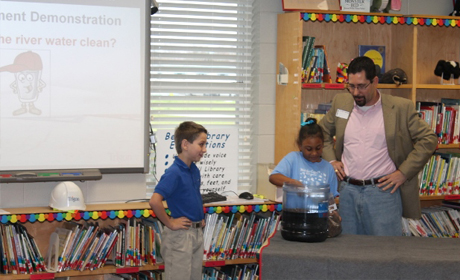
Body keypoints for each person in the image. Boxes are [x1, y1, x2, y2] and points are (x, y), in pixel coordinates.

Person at [319, 56, 438, 236]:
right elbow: (322, 133)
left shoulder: (400, 108)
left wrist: (403, 172)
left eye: (362, 86)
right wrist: (331, 160)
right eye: (351, 86)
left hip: (383, 193)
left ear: (375, 82)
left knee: (385, 254)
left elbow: (429, 139)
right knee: (347, 253)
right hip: (347, 191)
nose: (356, 92)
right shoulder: (341, 103)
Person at [149, 121, 207, 280]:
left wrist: (199, 217)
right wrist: (170, 223)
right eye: (201, 144)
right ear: (185, 144)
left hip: (196, 233)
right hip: (180, 237)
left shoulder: (193, 170)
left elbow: (192, 196)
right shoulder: (174, 172)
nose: (205, 149)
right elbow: (155, 201)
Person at [269, 117, 339, 199]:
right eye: (309, 149)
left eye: (318, 148)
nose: (314, 153)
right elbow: (273, 177)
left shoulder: (328, 168)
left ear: (323, 145)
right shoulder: (293, 158)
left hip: (319, 211)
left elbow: (332, 197)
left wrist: (333, 210)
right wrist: (293, 183)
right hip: (295, 211)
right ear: (300, 146)